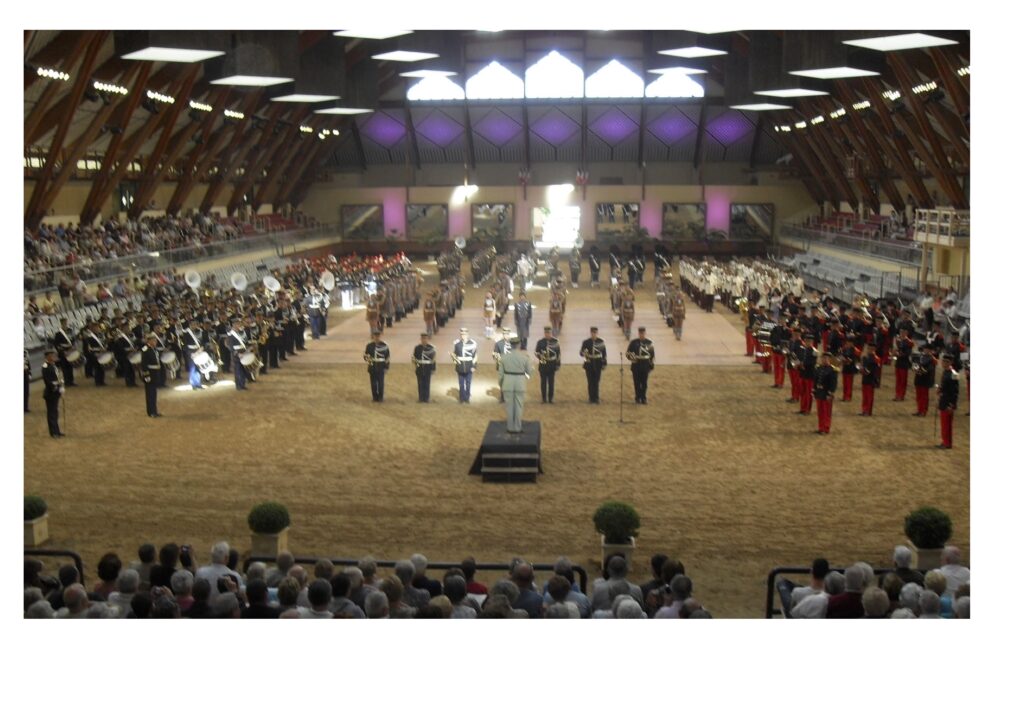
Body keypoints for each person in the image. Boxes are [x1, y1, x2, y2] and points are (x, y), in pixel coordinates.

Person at [498, 335, 532, 433]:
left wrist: (501, 384)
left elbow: (500, 374)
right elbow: (529, 372)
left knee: (509, 407)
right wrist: (524, 378)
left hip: (507, 383)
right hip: (520, 383)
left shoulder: (503, 358)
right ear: (519, 345)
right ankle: (517, 427)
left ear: (510, 345)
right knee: (519, 406)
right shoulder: (525, 358)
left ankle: (510, 427)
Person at [626, 326, 655, 404]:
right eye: (640, 333)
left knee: (644, 383)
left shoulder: (649, 343)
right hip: (636, 365)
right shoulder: (633, 343)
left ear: (645, 333)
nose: (642, 335)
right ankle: (637, 398)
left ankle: (643, 398)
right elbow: (628, 353)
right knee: (637, 383)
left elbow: (652, 354)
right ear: (638, 333)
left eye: (643, 333)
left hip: (645, 365)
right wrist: (633, 359)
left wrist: (651, 365)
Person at [580, 326, 607, 404]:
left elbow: (604, 353)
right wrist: (584, 353)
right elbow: (581, 353)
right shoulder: (586, 342)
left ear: (597, 333)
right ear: (590, 333)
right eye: (592, 333)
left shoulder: (601, 341)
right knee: (590, 381)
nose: (594, 334)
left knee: (596, 381)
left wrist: (604, 363)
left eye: (595, 333)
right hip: (589, 363)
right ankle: (591, 398)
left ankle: (596, 397)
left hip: (598, 363)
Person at [41, 349, 65, 438]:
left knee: (55, 412)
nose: (54, 357)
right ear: (48, 356)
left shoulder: (53, 365)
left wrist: (61, 385)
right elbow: (48, 381)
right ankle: (53, 432)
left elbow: (57, 377)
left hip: (55, 392)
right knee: (51, 413)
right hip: (50, 392)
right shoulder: (45, 367)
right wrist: (57, 386)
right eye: (52, 355)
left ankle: (57, 431)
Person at [812, 351, 838, 434]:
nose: (824, 360)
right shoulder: (818, 368)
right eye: (823, 358)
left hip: (826, 393)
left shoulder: (832, 370)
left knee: (826, 412)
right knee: (820, 411)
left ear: (829, 359)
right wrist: (814, 390)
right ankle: (821, 428)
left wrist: (830, 393)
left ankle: (826, 428)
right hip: (819, 392)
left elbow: (833, 384)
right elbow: (815, 380)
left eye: (826, 358)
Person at [937, 354, 959, 449]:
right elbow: (945, 385)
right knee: (944, 423)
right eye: (943, 361)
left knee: (947, 424)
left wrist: (952, 404)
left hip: (948, 402)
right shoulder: (945, 372)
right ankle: (944, 441)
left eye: (947, 362)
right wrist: (940, 389)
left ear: (951, 362)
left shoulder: (954, 374)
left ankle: (947, 443)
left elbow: (955, 391)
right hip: (943, 400)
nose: (944, 363)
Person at [534, 326, 561, 404]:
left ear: (551, 333)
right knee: (543, 383)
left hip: (552, 364)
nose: (547, 334)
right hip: (543, 364)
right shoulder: (540, 342)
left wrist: (558, 364)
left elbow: (558, 354)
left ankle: (550, 398)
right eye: (546, 333)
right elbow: (536, 352)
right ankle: (544, 398)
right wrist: (540, 357)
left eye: (549, 333)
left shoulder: (555, 342)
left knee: (551, 382)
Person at [363, 329, 390, 403]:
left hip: (381, 366)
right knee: (373, 383)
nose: (377, 337)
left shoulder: (384, 346)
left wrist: (386, 367)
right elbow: (365, 356)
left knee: (381, 383)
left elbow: (387, 357)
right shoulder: (369, 346)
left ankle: (381, 397)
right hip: (372, 367)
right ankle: (375, 397)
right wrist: (368, 360)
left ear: (380, 336)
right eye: (375, 335)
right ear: (373, 336)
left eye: (378, 336)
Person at [452, 327, 478, 403]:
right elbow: (455, 355)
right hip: (460, 367)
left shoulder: (472, 344)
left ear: (468, 335)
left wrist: (474, 366)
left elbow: (475, 356)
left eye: (465, 334)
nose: (463, 336)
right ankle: (462, 397)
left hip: (469, 366)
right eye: (462, 334)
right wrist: (454, 360)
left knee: (468, 383)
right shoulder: (457, 344)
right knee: (461, 384)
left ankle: (467, 397)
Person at [140, 333, 162, 418]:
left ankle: (154, 411)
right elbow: (144, 364)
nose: (155, 342)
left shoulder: (154, 349)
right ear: (149, 341)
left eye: (155, 340)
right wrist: (146, 375)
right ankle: (151, 412)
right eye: (154, 340)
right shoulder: (145, 350)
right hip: (150, 373)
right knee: (150, 394)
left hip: (155, 373)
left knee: (153, 393)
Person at [412, 332, 436, 402]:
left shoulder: (431, 348)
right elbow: (415, 358)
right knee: (420, 384)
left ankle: (426, 398)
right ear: (421, 339)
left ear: (427, 339)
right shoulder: (417, 348)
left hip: (428, 368)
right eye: (422, 338)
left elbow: (433, 359)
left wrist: (433, 369)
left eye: (425, 338)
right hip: (420, 369)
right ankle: (421, 398)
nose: (424, 340)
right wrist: (417, 367)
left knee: (427, 383)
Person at [226, 318, 249, 391]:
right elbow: (231, 346)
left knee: (243, 369)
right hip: (237, 354)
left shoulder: (239, 332)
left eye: (239, 323)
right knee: (238, 370)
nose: (239, 325)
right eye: (238, 323)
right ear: (234, 324)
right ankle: (238, 386)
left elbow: (244, 342)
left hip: (243, 352)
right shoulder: (231, 334)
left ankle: (242, 384)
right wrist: (237, 354)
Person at [859, 342, 880, 416]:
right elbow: (862, 366)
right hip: (865, 378)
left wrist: (866, 371)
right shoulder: (865, 357)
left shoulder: (876, 359)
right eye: (869, 349)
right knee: (865, 396)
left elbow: (875, 370)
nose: (870, 350)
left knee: (869, 396)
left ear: (874, 349)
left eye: (871, 349)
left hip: (871, 379)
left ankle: (868, 411)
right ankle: (864, 410)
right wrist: (861, 369)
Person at [913, 349, 936, 416]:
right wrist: (915, 368)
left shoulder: (932, 359)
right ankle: (919, 410)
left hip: (925, 379)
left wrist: (920, 371)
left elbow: (930, 369)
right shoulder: (921, 356)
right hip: (918, 378)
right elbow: (916, 364)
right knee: (919, 396)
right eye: (925, 349)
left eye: (928, 349)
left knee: (924, 397)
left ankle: (923, 411)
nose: (926, 351)